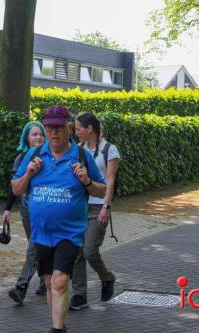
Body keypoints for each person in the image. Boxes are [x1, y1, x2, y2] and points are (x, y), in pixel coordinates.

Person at [12, 106, 106, 333]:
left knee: (59, 282)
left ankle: (56, 329)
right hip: (41, 232)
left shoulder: (81, 157)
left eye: (58, 128)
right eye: (49, 128)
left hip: (70, 232)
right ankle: (60, 324)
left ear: (68, 128)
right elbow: (16, 189)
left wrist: (86, 181)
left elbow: (101, 190)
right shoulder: (34, 155)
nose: (53, 133)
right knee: (48, 282)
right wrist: (29, 174)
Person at [69, 112, 120, 311]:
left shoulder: (109, 149)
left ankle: (107, 277)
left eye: (78, 128)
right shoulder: (78, 150)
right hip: (79, 205)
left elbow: (110, 180)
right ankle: (79, 296)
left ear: (89, 129)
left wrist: (106, 206)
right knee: (76, 251)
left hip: (99, 205)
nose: (76, 132)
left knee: (89, 250)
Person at [4, 121, 47, 304]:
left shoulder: (49, 157)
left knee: (34, 245)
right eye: (34, 134)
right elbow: (15, 186)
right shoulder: (21, 159)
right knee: (36, 245)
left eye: (40, 134)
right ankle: (46, 281)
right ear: (27, 138)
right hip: (26, 208)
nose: (38, 137)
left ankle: (21, 286)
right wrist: (7, 208)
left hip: (44, 208)